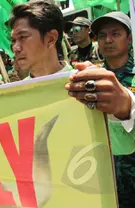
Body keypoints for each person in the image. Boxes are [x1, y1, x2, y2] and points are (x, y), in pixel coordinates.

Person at [10, 2, 135, 206]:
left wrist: (124, 108)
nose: (15, 47)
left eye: (23, 37)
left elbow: (122, 146)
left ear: (51, 38)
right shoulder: (11, 97)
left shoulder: (86, 86)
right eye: (13, 40)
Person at [70, 12, 135, 208]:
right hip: (106, 179)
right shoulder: (88, 79)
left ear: (129, 38)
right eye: (102, 35)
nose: (108, 40)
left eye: (116, 34)